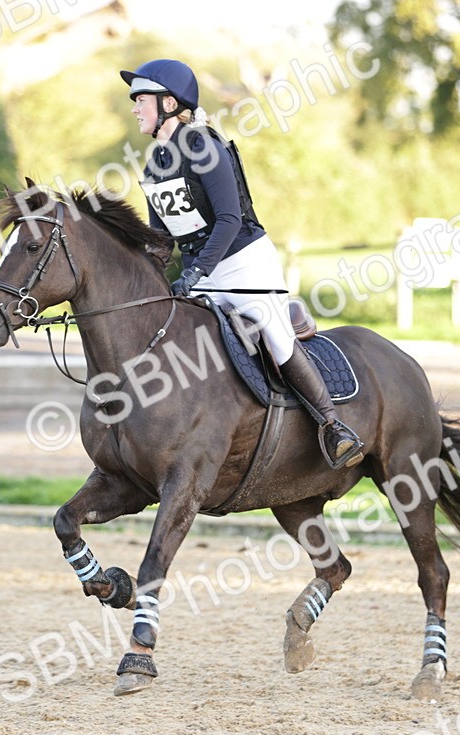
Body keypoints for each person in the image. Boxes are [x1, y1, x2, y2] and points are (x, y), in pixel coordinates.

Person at [120, 59, 364, 469]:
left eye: (140, 100)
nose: (134, 108)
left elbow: (230, 220)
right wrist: (147, 274)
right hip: (201, 270)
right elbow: (162, 239)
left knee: (270, 330)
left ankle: (333, 426)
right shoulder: (155, 163)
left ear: (168, 102)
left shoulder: (205, 147)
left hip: (244, 261)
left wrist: (195, 272)